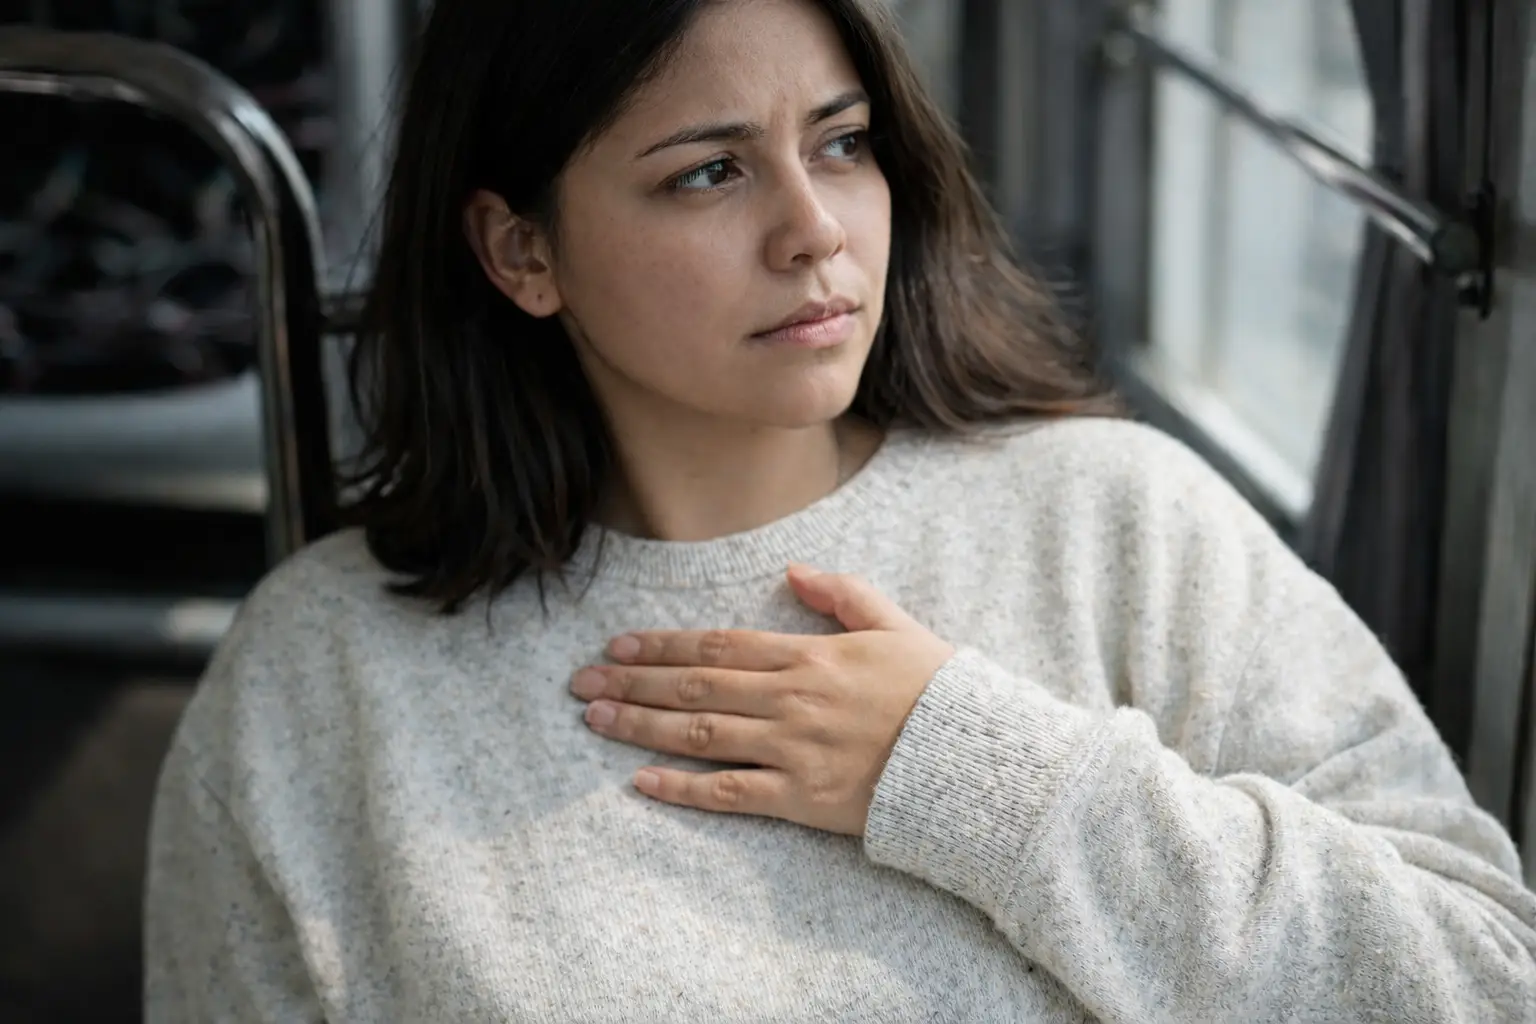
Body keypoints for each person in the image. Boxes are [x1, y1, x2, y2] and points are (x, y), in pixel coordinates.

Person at [142, 0, 1536, 1020]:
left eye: (845, 144)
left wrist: (981, 776)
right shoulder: (321, 676)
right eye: (710, 169)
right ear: (522, 251)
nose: (815, 228)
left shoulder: (1120, 524)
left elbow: (1481, 983)